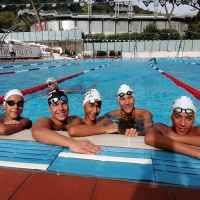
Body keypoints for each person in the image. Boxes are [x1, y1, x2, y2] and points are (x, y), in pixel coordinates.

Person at [31, 89, 101, 154]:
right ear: (49, 109)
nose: (61, 108)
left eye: (64, 103)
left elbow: (77, 130)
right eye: (55, 105)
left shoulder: (74, 119)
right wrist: (72, 143)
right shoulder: (46, 121)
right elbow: (37, 131)